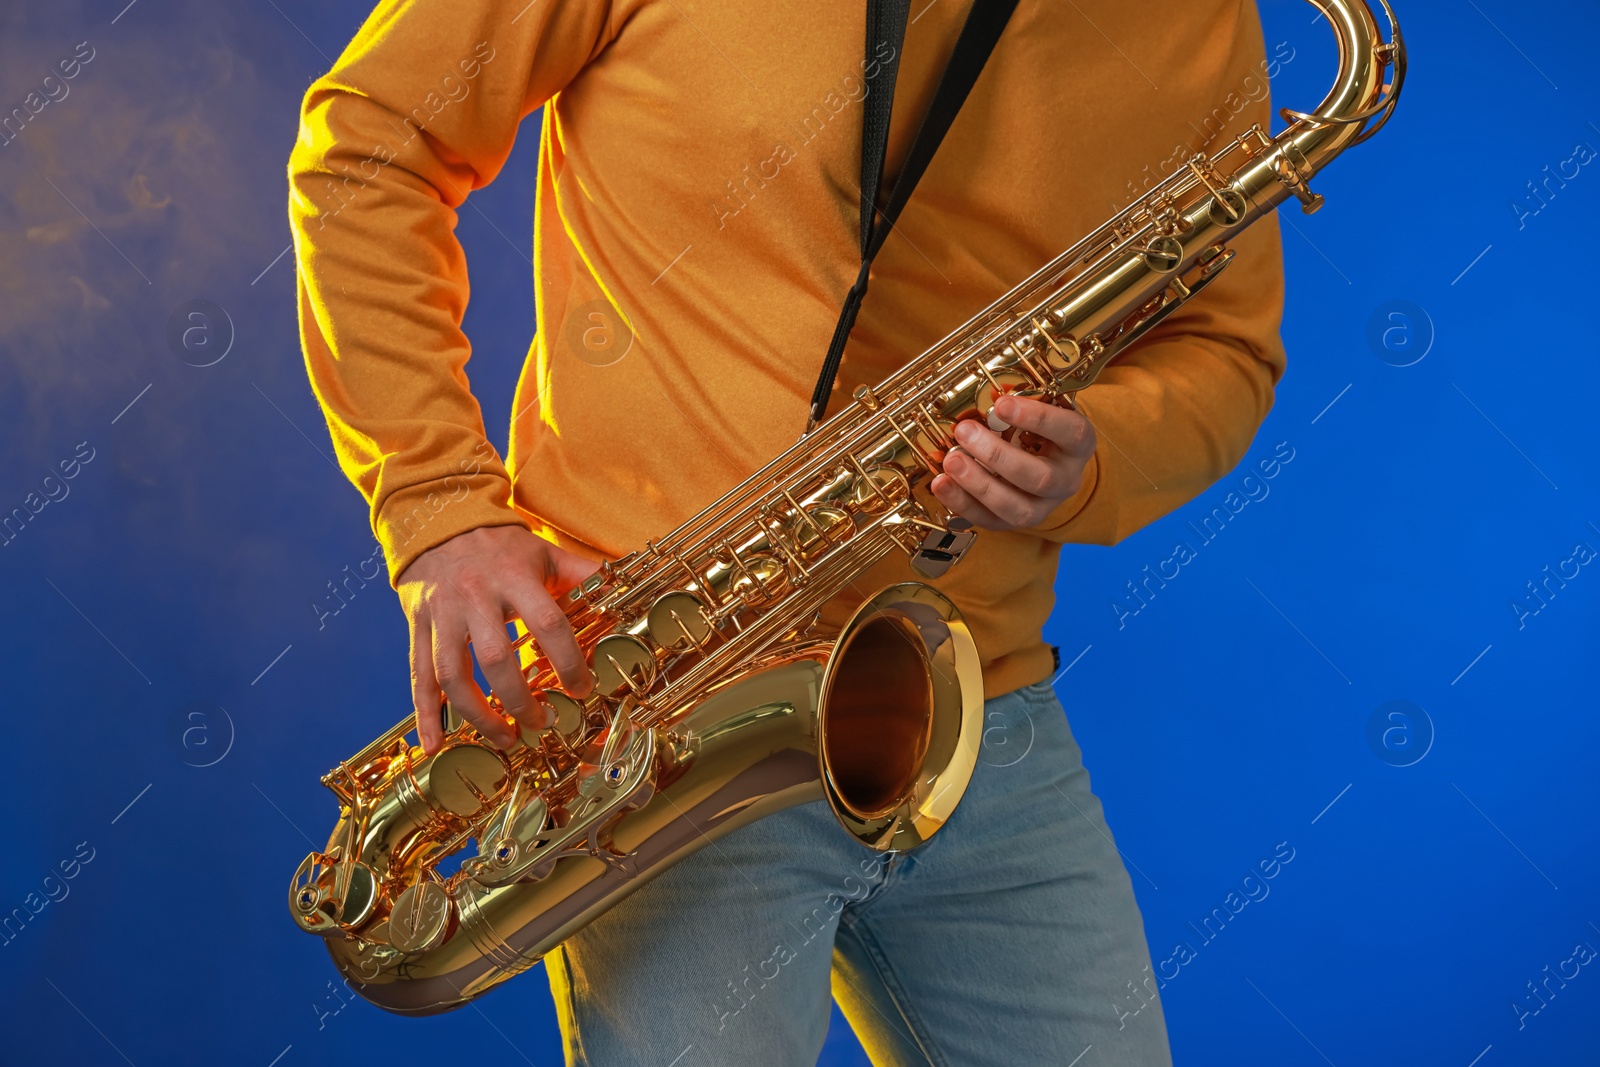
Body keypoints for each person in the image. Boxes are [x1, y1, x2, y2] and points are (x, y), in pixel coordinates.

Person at [289, 1, 1287, 1062]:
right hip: (662, 713)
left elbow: (1223, 347)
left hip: (969, 703)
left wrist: (1094, 455)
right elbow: (371, 141)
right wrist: (441, 508)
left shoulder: (1199, 21)